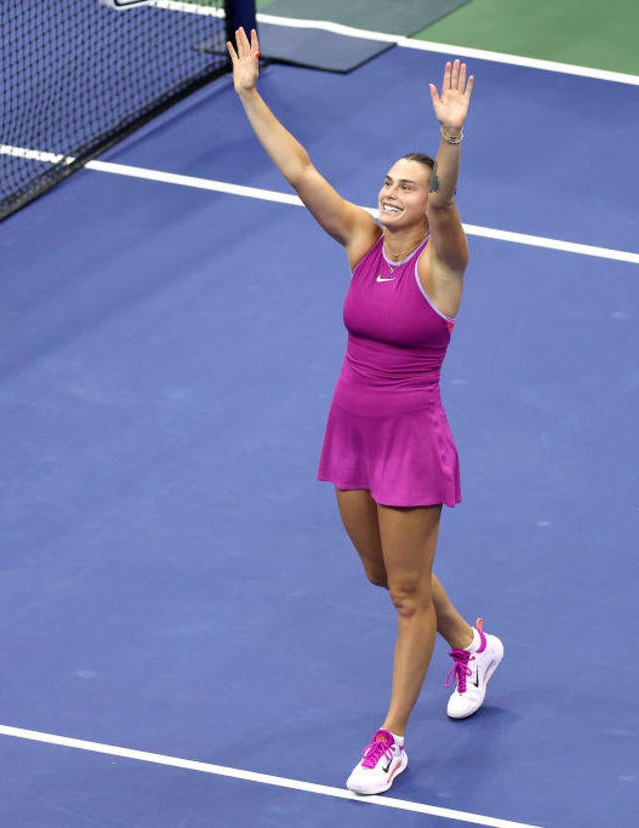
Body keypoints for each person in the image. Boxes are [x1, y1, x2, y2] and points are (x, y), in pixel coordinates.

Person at [227, 28, 503, 796]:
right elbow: (299, 170)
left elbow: (447, 200)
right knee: (385, 574)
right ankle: (472, 643)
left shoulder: (444, 262)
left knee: (407, 595)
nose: (389, 192)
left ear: (427, 204)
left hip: (411, 439)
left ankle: (391, 738)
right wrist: (249, 92)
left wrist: (448, 137)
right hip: (351, 431)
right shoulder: (359, 238)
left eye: (404, 187)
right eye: (387, 181)